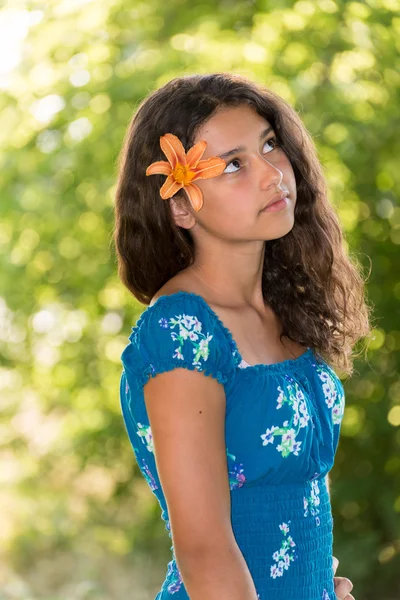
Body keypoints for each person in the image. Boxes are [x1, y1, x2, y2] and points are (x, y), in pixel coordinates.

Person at [113, 72, 373, 600]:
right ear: (181, 206)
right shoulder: (180, 332)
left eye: (270, 146)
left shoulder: (285, 312)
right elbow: (205, 551)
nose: (272, 174)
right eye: (233, 164)